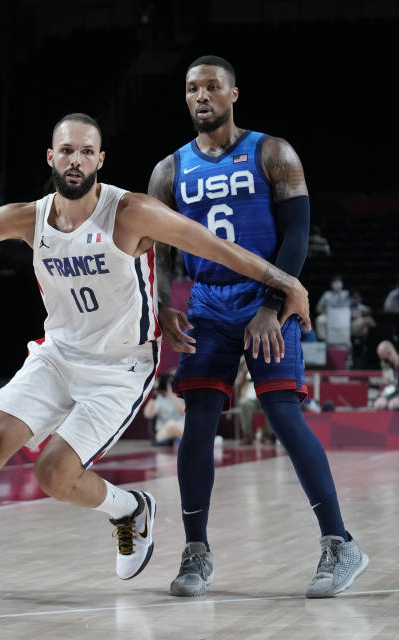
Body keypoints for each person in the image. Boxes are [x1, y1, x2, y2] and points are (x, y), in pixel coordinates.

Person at [0, 112, 311, 596]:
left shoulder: (130, 212)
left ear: (100, 159)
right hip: (58, 355)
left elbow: (212, 245)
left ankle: (129, 509)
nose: (76, 160)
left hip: (119, 368)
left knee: (53, 474)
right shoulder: (30, 217)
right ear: (51, 157)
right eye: (67, 151)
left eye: (86, 152)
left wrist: (284, 281)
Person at [150, 55, 368, 600]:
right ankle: (196, 551)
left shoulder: (273, 152)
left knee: (282, 414)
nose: (202, 96)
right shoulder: (168, 170)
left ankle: (340, 543)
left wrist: (273, 303)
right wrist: (162, 304)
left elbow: (297, 234)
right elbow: (152, 250)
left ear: (234, 94)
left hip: (265, 297)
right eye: (192, 88)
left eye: (212, 87)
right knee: (198, 419)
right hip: (205, 303)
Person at [234, 356, 274, 445]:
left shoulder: (268, 360)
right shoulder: (245, 361)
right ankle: (248, 436)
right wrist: (244, 370)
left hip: (265, 395)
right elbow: (238, 383)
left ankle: (266, 435)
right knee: (244, 403)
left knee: (273, 404)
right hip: (249, 396)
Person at [143, 373, 185, 444]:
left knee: (175, 426)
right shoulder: (158, 398)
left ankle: (179, 442)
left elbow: (184, 412)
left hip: (181, 428)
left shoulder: (182, 396)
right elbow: (148, 415)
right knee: (171, 425)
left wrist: (172, 396)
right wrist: (154, 395)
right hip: (164, 430)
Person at [372, 340, 399, 410]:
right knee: (379, 404)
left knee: (393, 405)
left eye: (382, 356)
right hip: (393, 393)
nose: (381, 359)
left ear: (389, 353)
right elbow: (389, 383)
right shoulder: (386, 364)